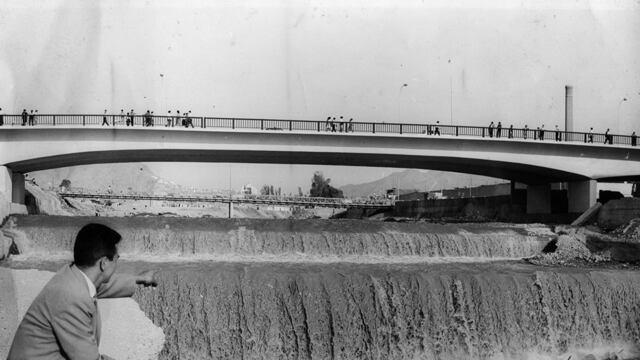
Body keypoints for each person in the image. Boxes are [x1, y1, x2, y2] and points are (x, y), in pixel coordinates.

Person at [7, 223, 158, 360]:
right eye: (116, 259)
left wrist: (139, 279)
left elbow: (103, 285)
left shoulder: (74, 276)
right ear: (104, 263)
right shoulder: (72, 297)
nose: (117, 263)